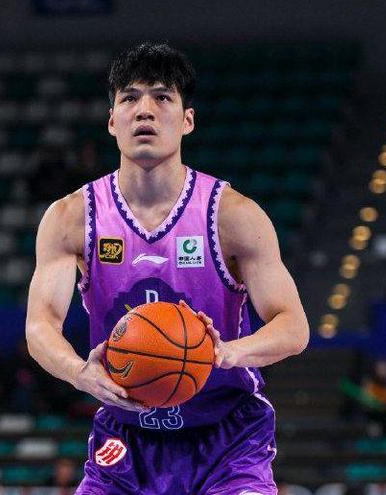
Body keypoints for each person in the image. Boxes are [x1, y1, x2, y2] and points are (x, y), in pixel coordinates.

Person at [26, 42, 309, 495]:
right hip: (126, 439)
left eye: (162, 97)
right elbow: (39, 325)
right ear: (112, 120)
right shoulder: (71, 218)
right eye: (130, 98)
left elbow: (294, 326)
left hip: (227, 437)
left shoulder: (233, 216)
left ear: (187, 120)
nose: (145, 110)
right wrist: (78, 371)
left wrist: (228, 353)